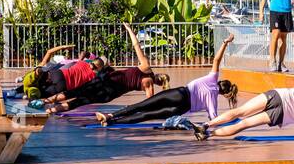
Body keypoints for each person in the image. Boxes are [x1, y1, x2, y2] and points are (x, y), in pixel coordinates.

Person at [195, 40, 294, 140]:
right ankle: (209, 134)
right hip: (281, 114)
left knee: (240, 112)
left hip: (278, 96)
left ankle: (205, 125)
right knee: (244, 124)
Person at [97, 34, 238, 126]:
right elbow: (213, 119)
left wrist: (225, 42)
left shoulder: (212, 79)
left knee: (142, 105)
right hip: (182, 108)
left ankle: (110, 116)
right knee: (147, 115)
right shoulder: (213, 101)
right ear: (224, 94)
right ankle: (111, 123)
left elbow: (216, 59)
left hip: (180, 94)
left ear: (220, 82)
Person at [41, 23, 168, 114]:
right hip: (110, 92)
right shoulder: (149, 85)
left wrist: (129, 29)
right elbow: (149, 103)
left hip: (108, 79)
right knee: (80, 101)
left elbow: (136, 46)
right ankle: (51, 110)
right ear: (160, 83)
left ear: (160, 75)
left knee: (77, 91)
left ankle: (46, 101)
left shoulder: (146, 67)